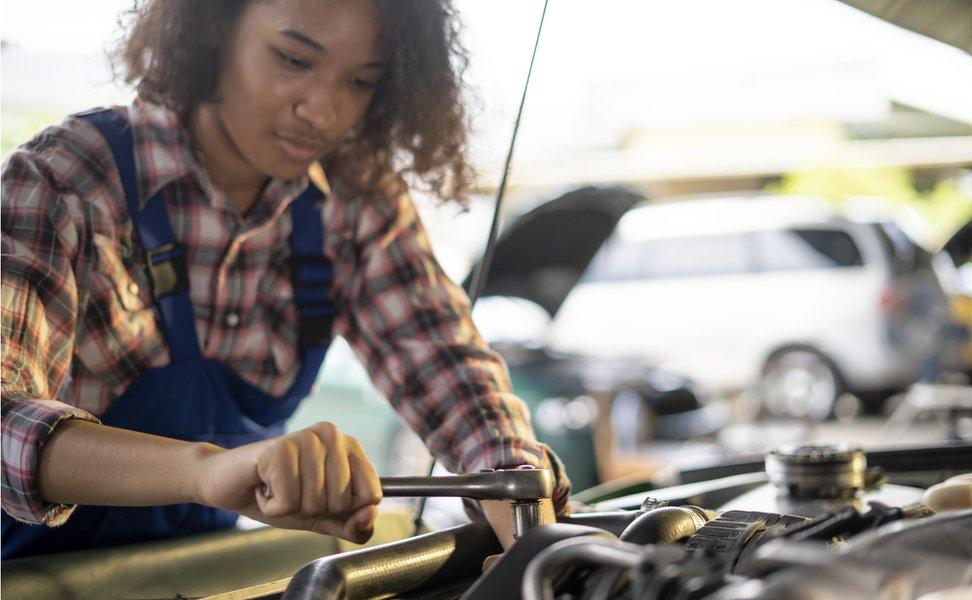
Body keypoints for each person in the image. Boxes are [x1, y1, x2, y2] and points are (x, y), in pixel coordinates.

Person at [1, 0, 570, 559]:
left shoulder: (354, 203)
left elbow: (449, 371)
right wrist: (208, 471)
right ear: (213, 27)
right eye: (294, 61)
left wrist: (529, 519)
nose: (324, 112)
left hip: (191, 575)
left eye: (360, 81)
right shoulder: (65, 181)